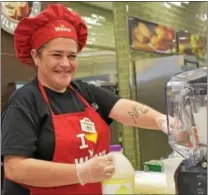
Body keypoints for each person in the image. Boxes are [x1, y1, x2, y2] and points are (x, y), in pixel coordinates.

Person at [1, 4, 172, 195]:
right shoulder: (24, 101)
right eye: (56, 55)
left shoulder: (83, 91)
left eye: (72, 56)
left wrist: (163, 122)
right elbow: (15, 168)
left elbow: (124, 109)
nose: (65, 64)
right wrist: (81, 172)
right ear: (36, 56)